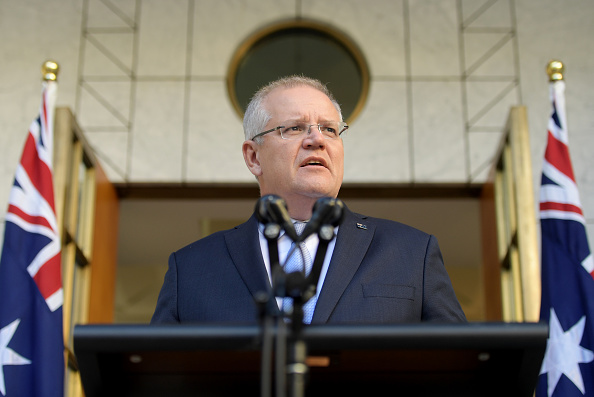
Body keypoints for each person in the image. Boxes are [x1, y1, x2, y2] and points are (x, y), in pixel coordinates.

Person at [151, 76, 466, 324]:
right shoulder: (191, 268)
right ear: (253, 156)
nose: (317, 140)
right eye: (295, 127)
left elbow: (459, 369)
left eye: (329, 129)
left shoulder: (412, 252)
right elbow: (157, 376)